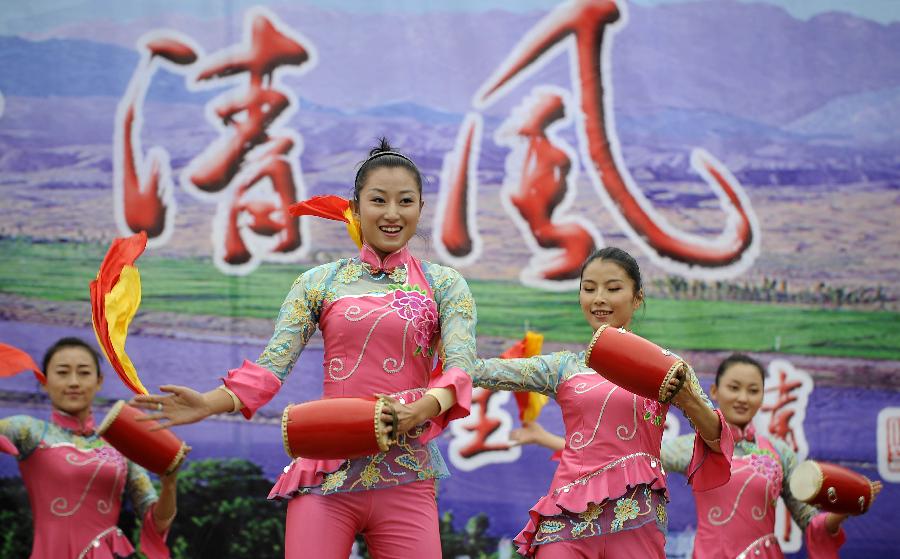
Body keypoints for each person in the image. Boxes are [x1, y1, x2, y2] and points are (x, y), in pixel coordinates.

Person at [132, 139, 476, 559]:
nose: (392, 213)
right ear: (355, 208)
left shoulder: (445, 285)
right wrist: (207, 403)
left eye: (405, 201)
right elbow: (272, 366)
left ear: (420, 208)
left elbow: (460, 366)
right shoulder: (318, 282)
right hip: (326, 468)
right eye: (378, 200)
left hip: (406, 471)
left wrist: (421, 410)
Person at [470, 246, 733, 558]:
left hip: (636, 518)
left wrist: (689, 399)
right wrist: (445, 353)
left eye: (613, 288)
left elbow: (715, 439)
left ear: (637, 298)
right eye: (589, 288)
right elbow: (484, 371)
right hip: (566, 520)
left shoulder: (667, 368)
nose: (599, 299)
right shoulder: (563, 367)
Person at [660, 353, 883, 558]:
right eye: (734, 388)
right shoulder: (690, 447)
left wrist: (845, 509)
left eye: (753, 390)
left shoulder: (780, 453)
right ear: (715, 391)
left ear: (763, 396)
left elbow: (810, 521)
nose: (743, 398)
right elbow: (646, 461)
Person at [0, 337, 178, 559]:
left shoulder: (121, 445)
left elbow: (156, 522)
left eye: (84, 373)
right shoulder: (28, 431)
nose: (74, 382)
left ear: (99, 381)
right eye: (62, 373)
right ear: (44, 381)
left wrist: (169, 483)